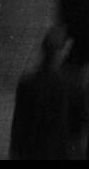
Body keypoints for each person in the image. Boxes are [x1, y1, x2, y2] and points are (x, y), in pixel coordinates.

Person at [9, 30, 72, 161]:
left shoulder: (27, 81)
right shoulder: (62, 84)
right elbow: (61, 122)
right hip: (50, 147)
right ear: (59, 54)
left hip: (29, 145)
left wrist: (14, 149)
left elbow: (18, 118)